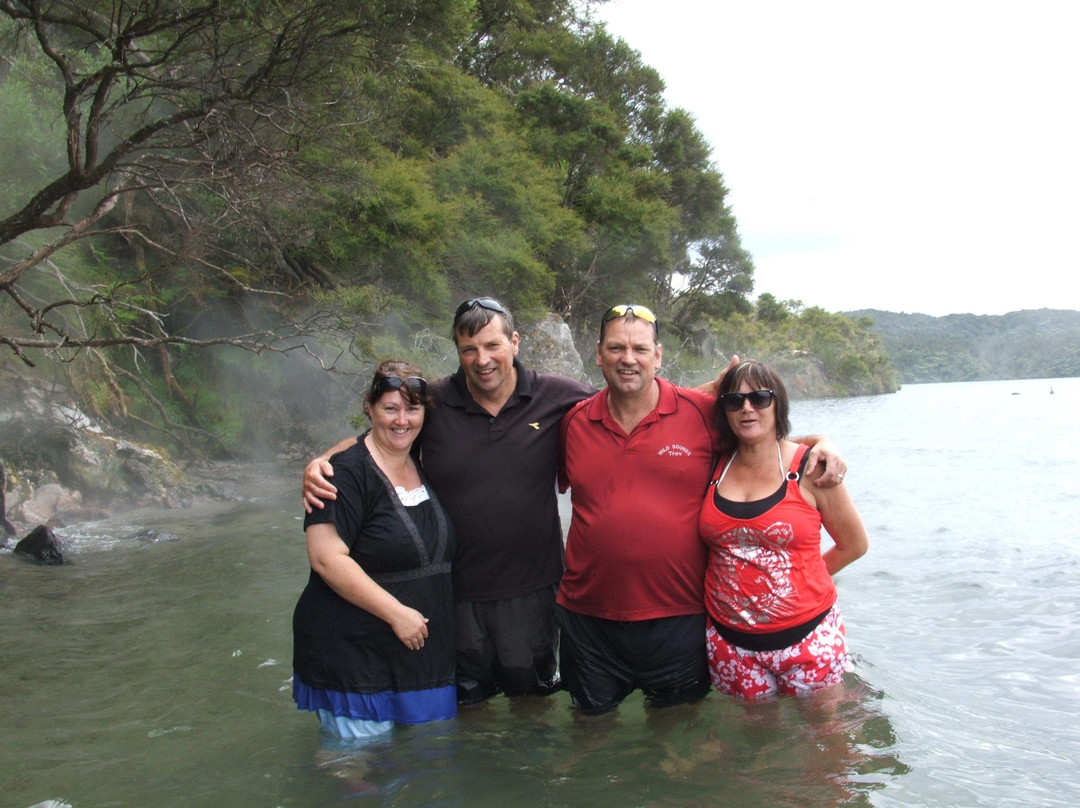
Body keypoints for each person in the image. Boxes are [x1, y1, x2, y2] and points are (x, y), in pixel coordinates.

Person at [555, 304, 848, 716]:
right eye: (617, 348)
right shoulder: (574, 423)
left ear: (658, 356)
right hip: (588, 618)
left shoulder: (699, 413)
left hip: (680, 616)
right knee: (589, 732)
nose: (628, 358)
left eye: (640, 348)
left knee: (678, 740)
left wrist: (822, 441)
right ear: (598, 353)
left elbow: (762, 440)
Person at [302, 298, 595, 704]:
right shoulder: (434, 402)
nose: (482, 360)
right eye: (469, 349)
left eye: (492, 346)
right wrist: (322, 461)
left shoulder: (557, 395)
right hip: (451, 593)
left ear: (514, 342)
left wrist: (715, 392)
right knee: (466, 707)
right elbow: (379, 441)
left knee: (533, 705)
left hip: (532, 591)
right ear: (457, 351)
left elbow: (626, 404)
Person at [292, 360, 457, 741]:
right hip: (355, 657)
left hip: (421, 659)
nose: (402, 420)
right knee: (361, 778)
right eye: (390, 408)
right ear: (369, 406)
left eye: (412, 409)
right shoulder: (342, 474)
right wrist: (397, 613)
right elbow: (325, 557)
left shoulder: (423, 458)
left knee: (427, 779)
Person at [699, 360, 869, 699]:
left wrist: (792, 582)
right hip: (731, 646)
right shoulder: (712, 464)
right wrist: (710, 387)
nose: (747, 408)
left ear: (779, 404)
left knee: (829, 742)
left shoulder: (811, 468)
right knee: (758, 743)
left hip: (808, 639)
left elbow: (854, 545)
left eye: (760, 398)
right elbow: (664, 411)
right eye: (734, 401)